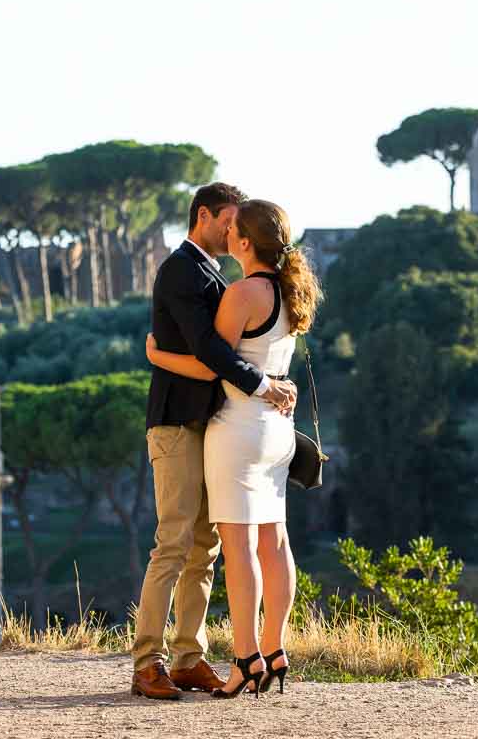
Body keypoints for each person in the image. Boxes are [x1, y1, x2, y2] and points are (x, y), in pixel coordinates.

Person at [145, 198, 322, 699]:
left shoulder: (242, 293)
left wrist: (157, 353)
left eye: (233, 229)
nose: (226, 234)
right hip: (279, 430)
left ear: (244, 242)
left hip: (239, 429)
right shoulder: (291, 290)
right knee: (276, 541)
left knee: (239, 547)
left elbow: (210, 364)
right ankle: (275, 647)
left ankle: (245, 657)